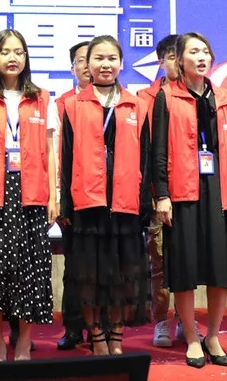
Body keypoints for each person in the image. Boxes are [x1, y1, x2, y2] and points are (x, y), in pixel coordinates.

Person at [152, 33, 227, 367]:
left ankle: (213, 335)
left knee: (220, 269)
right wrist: (162, 195)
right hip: (183, 191)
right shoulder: (167, 97)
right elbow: (158, 150)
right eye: (194, 51)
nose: (202, 56)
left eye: (205, 50)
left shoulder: (225, 97)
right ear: (179, 60)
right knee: (185, 269)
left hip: (220, 189)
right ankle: (192, 337)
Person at [0, 29, 58, 361]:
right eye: (5, 52)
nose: (12, 58)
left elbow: (50, 149)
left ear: (26, 57)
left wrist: (53, 196)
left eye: (18, 51)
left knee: (29, 269)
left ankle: (23, 342)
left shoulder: (42, 97)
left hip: (31, 193)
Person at [59, 35, 151, 357]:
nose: (105, 64)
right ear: (87, 64)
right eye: (98, 58)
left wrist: (145, 202)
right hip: (88, 203)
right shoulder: (73, 105)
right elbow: (65, 157)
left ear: (122, 63)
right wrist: (65, 205)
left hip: (125, 204)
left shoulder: (136, 104)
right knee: (90, 277)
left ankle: (116, 336)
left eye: (112, 58)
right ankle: (97, 336)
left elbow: (145, 158)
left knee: (122, 276)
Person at [136, 34, 184, 348]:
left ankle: (186, 320)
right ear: (160, 61)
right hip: (157, 192)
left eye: (181, 56)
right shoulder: (144, 98)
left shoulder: (198, 95)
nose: (176, 63)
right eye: (171, 57)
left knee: (188, 260)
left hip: (190, 191)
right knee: (160, 261)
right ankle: (162, 321)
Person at [55, 40, 92, 351]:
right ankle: (73, 326)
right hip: (73, 200)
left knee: (105, 267)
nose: (88, 65)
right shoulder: (61, 104)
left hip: (107, 201)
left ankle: (101, 330)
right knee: (75, 267)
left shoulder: (117, 102)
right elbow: (55, 155)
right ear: (72, 68)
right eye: (81, 60)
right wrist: (60, 201)